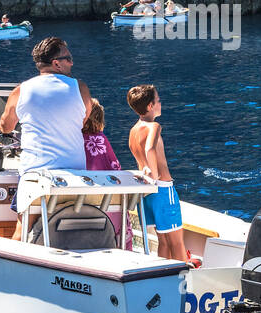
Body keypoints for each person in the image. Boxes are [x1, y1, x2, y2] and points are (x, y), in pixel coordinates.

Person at [0, 37, 93, 238]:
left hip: (35, 175)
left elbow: (5, 127)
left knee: (21, 230)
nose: (72, 62)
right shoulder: (80, 88)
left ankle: (16, 265)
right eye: (69, 58)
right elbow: (83, 121)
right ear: (56, 63)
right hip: (75, 174)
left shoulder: (21, 90)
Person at [126, 84, 191, 264]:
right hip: (162, 188)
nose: (160, 104)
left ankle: (165, 277)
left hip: (146, 192)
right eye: (158, 101)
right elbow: (150, 149)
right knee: (177, 242)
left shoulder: (133, 131)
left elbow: (142, 158)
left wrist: (149, 176)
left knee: (162, 240)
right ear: (150, 106)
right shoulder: (153, 126)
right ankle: (182, 281)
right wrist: (155, 175)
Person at [82, 100, 130, 248]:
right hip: (109, 206)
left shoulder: (76, 141)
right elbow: (115, 168)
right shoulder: (102, 139)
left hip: (83, 205)